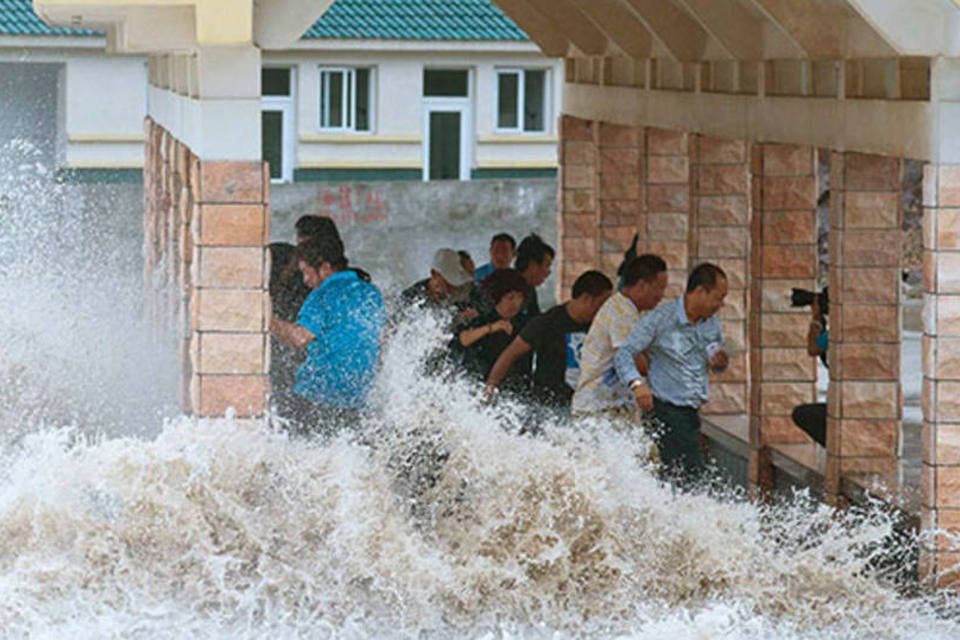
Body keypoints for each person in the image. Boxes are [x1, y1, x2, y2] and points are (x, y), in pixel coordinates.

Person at [614, 263, 729, 484]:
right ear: (699, 292)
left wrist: (719, 363)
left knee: (674, 478)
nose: (721, 305)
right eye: (718, 297)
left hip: (691, 413)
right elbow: (624, 353)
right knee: (694, 477)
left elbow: (714, 361)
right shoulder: (661, 319)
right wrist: (637, 384)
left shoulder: (712, 323)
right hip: (664, 410)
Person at [269, 235, 385, 435]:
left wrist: (268, 320)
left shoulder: (323, 295)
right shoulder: (372, 293)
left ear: (323, 268)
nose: (305, 281)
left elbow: (299, 337)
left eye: (306, 273)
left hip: (315, 399)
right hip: (357, 403)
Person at [485, 270, 613, 409]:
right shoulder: (547, 322)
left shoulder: (602, 326)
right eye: (602, 304)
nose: (605, 310)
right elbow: (511, 353)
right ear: (586, 298)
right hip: (548, 405)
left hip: (586, 405)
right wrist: (491, 385)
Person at [573, 254, 668, 417]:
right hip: (600, 409)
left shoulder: (630, 311)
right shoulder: (621, 312)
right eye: (659, 289)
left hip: (613, 406)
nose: (661, 296)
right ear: (642, 285)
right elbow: (629, 358)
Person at [453, 268, 528, 388]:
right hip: (477, 384)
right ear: (497, 296)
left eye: (520, 297)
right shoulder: (482, 318)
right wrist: (492, 327)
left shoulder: (523, 323)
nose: (516, 303)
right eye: (510, 297)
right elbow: (463, 339)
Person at [791, 293, 829, 447]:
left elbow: (813, 349)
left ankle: (833, 446)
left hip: (846, 409)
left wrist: (815, 319)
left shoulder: (838, 333)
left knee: (802, 414)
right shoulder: (842, 330)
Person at [400, 247, 474, 310]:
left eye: (453, 285)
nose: (449, 290)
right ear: (434, 273)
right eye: (446, 283)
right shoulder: (410, 299)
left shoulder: (460, 292)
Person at [513, 233, 554, 327]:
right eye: (547, 265)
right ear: (533, 265)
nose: (549, 272)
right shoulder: (510, 289)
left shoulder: (529, 289)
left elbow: (534, 319)